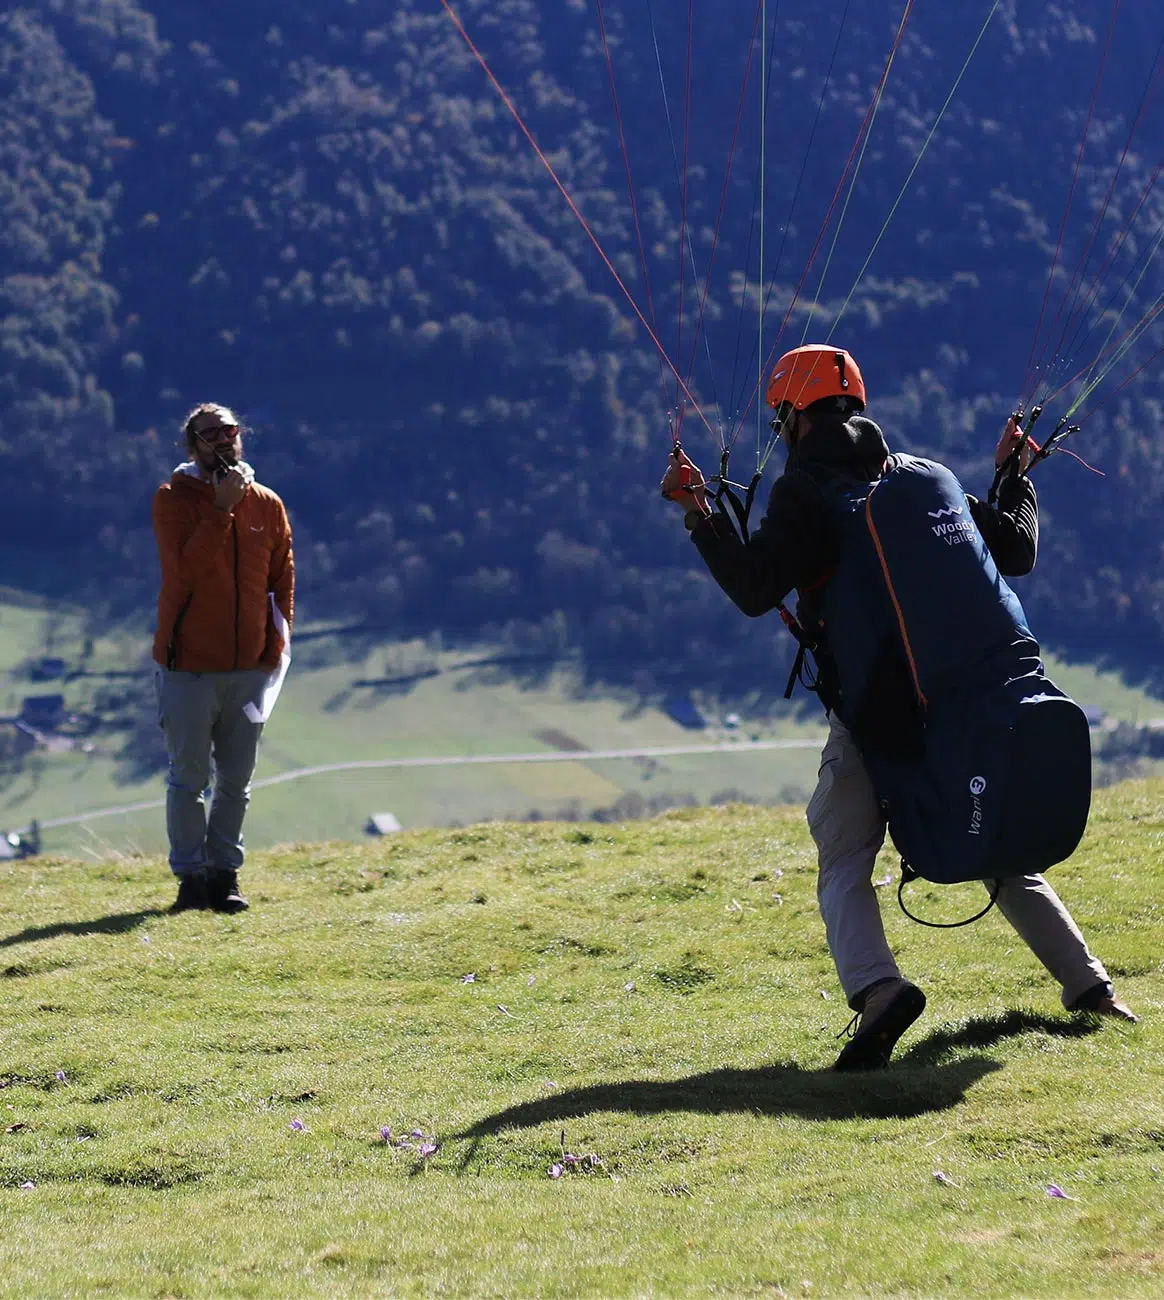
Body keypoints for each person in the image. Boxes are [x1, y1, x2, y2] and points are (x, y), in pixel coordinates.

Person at [661, 344, 1136, 1069]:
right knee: (994, 833)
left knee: (843, 853)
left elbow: (757, 589)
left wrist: (700, 517)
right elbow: (1014, 550)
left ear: (792, 417)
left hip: (873, 719)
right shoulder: (919, 477)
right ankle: (1093, 988)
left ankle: (880, 991)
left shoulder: (808, 492)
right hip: (963, 704)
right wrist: (1012, 478)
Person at [151, 403, 294, 913]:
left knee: (237, 781)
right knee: (188, 778)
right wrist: (220, 510)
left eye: (229, 432)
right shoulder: (172, 500)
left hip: (247, 670)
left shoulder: (268, 504)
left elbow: (282, 582)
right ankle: (191, 879)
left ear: (240, 437)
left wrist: (272, 651)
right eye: (208, 434)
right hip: (187, 666)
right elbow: (184, 571)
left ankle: (225, 875)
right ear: (191, 445)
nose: (221, 441)